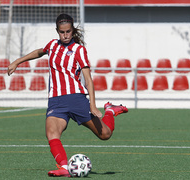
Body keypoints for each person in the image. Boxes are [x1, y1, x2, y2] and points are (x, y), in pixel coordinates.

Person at [7, 13, 128, 177]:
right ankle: (64, 167)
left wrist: (92, 104)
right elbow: (39, 52)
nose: (65, 35)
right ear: (57, 31)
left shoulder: (79, 50)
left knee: (105, 135)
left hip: (77, 99)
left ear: (72, 31)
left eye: (68, 32)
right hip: (56, 101)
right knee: (51, 133)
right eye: (62, 32)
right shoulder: (52, 45)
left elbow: (88, 80)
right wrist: (17, 62)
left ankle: (110, 111)